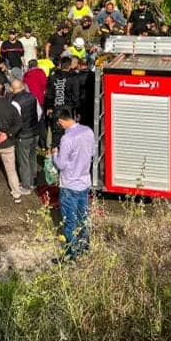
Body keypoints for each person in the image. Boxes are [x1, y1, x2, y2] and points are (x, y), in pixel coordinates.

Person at [51, 107, 95, 262]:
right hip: (84, 182)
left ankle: (70, 256)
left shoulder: (67, 138)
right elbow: (93, 153)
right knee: (83, 217)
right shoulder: (88, 131)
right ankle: (84, 248)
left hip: (70, 185)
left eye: (59, 123)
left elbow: (61, 165)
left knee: (69, 222)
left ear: (61, 120)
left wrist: (55, 155)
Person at [10, 79, 40, 194]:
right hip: (34, 131)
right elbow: (39, 112)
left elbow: (15, 121)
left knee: (24, 161)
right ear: (23, 86)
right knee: (32, 157)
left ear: (12, 89)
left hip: (23, 135)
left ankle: (26, 186)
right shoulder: (33, 97)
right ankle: (32, 181)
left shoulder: (15, 102)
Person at [44, 57, 80, 148]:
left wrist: (49, 107)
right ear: (70, 65)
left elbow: (49, 93)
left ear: (60, 65)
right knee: (69, 134)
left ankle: (55, 157)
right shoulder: (73, 77)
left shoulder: (53, 76)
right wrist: (77, 109)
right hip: (67, 109)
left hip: (56, 108)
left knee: (56, 135)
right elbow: (76, 95)